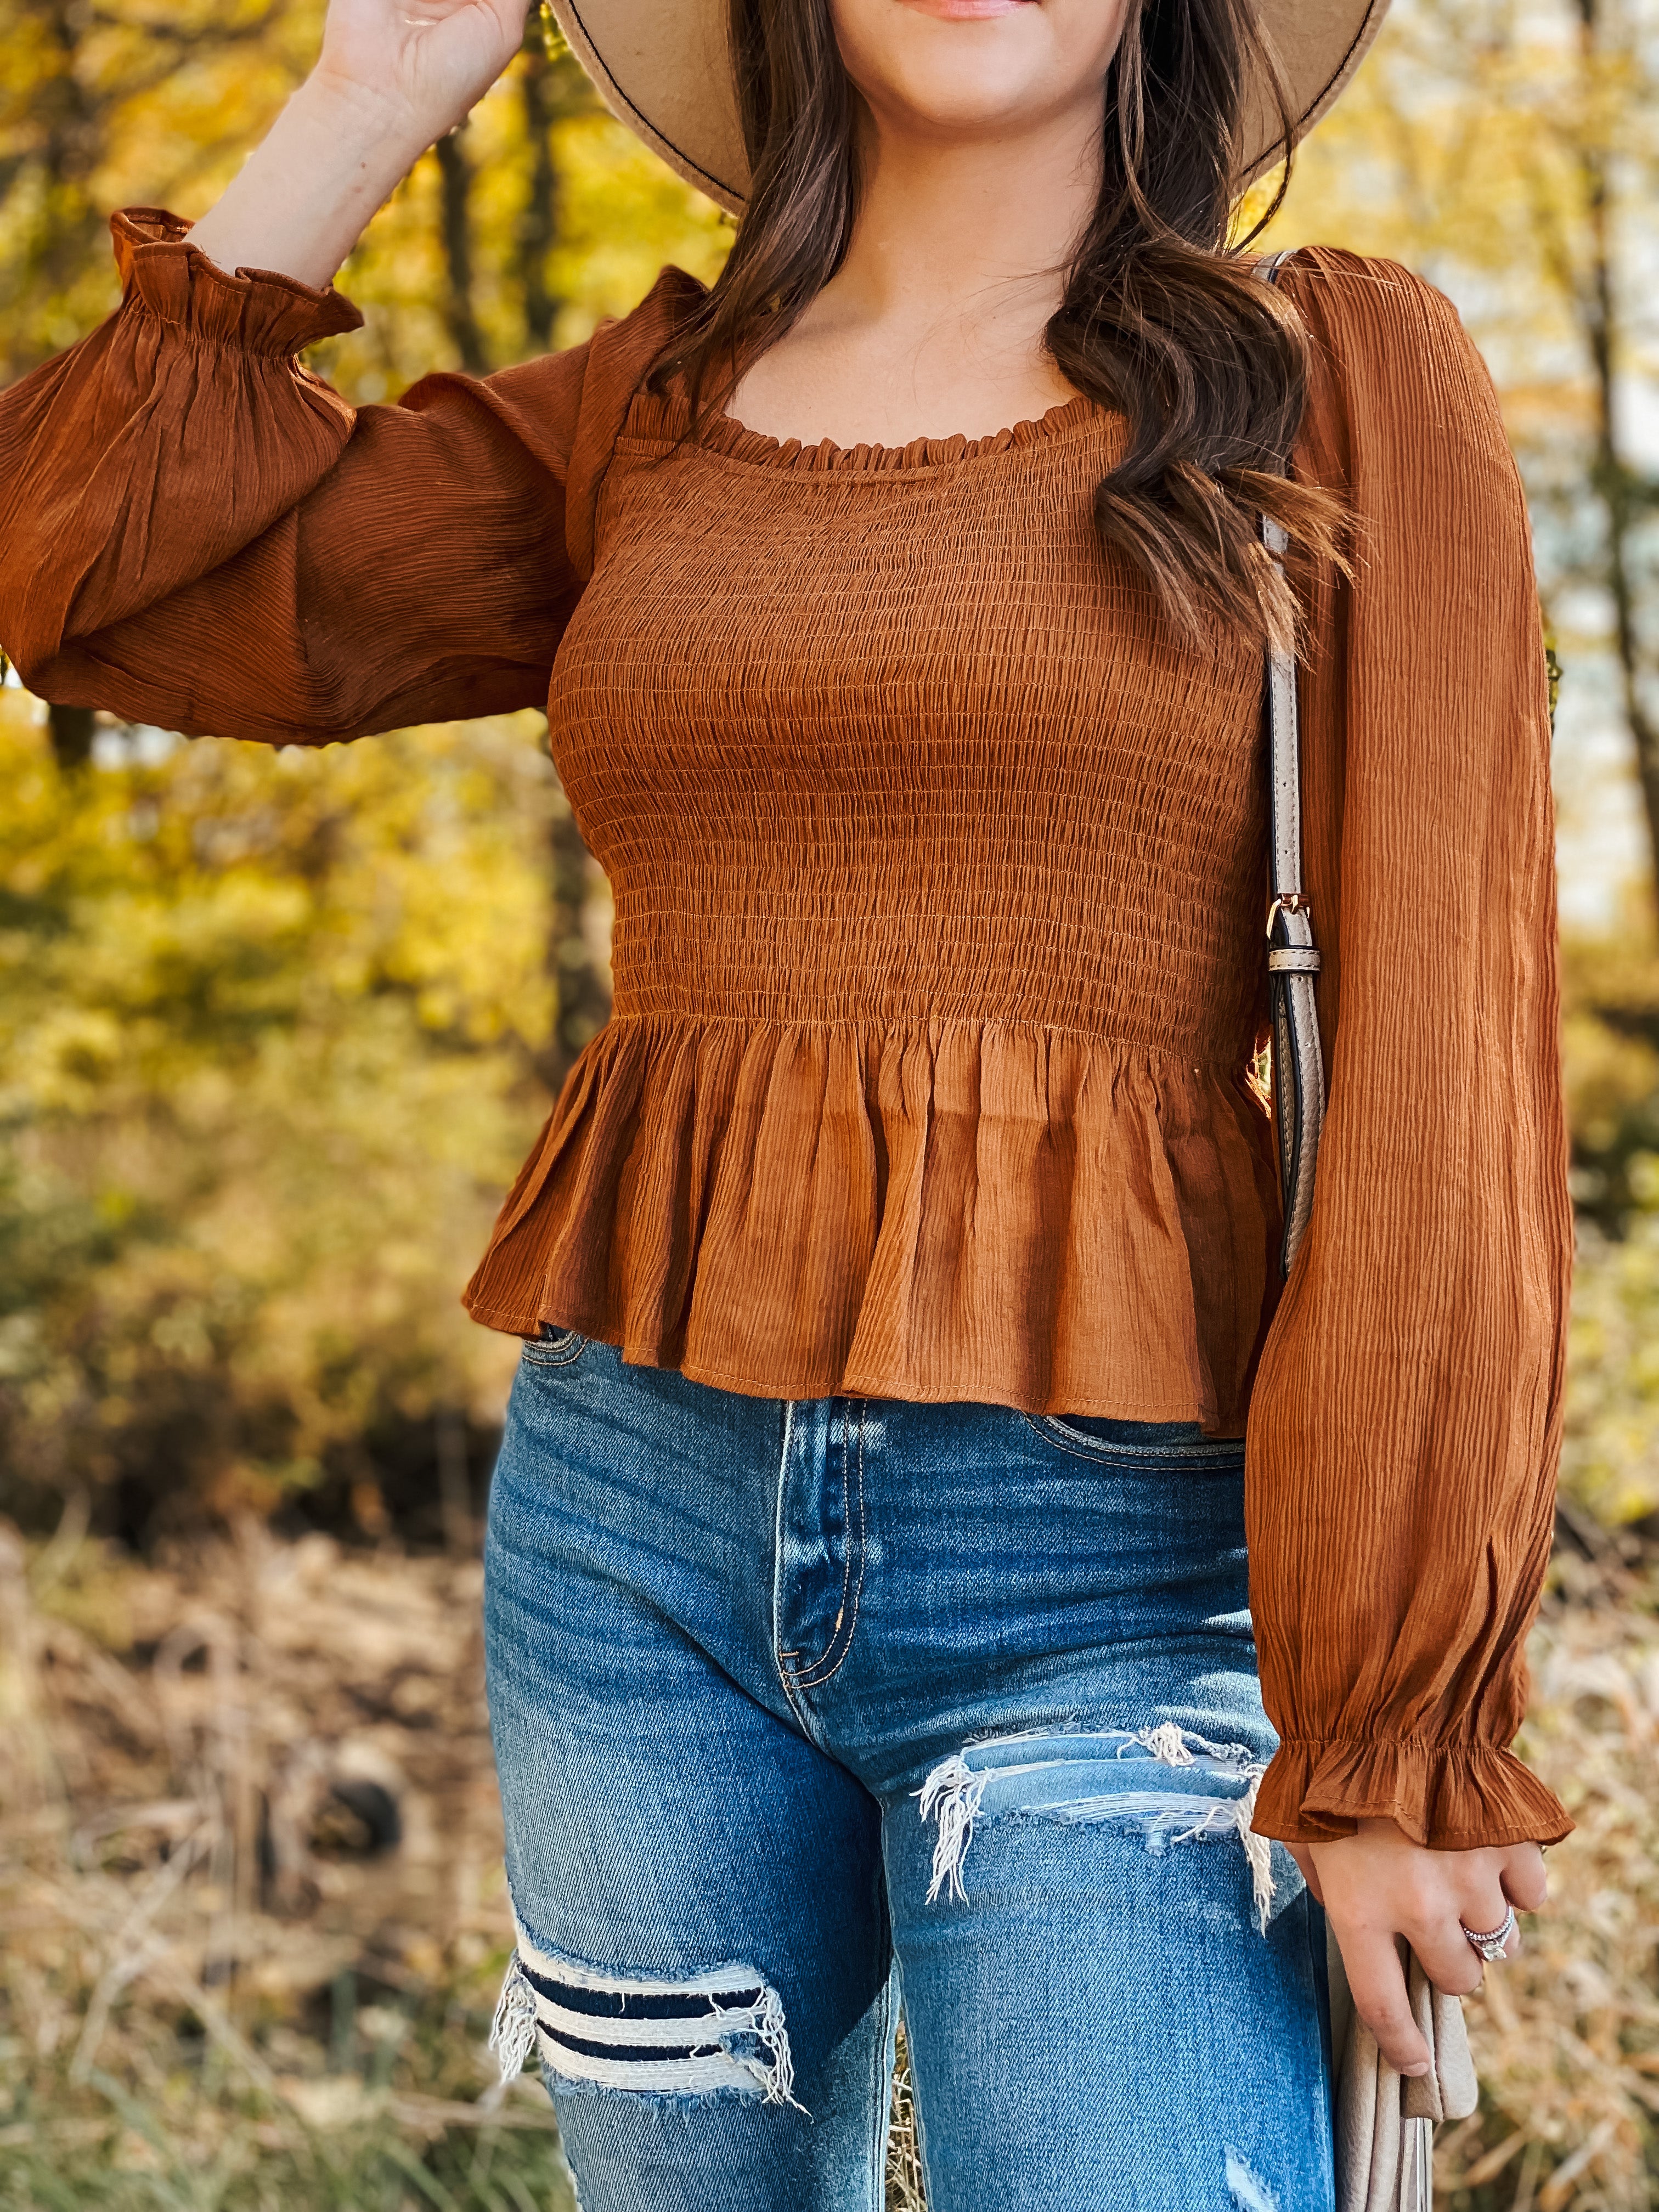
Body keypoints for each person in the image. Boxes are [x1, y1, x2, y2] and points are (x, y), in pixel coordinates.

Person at [0, 0, 1572, 2203]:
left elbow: (1449, 1079)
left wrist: (1399, 1734)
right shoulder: (645, 412)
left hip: (1118, 1565)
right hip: (623, 1530)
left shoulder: (1338, 384)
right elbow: (92, 585)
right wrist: (371, 91)